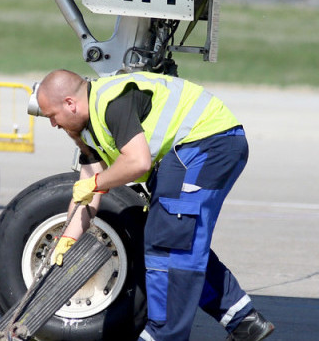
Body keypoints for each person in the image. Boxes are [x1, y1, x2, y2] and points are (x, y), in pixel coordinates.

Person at [36, 69, 274, 341]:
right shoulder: (86, 131)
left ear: (70, 104)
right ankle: (244, 321)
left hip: (209, 141)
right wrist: (67, 239)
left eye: (51, 116)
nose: (53, 124)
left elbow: (137, 162)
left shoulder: (112, 102)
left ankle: (165, 334)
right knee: (180, 237)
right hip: (193, 149)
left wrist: (96, 182)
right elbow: (87, 192)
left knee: (168, 240)